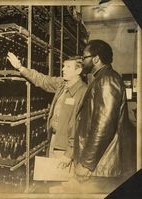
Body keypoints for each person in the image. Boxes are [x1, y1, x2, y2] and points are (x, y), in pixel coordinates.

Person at [7, 52, 87, 171]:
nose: (63, 69)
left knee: (63, 183)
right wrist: (20, 67)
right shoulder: (62, 84)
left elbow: (82, 127)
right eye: (63, 66)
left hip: (66, 147)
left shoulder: (83, 92)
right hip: (54, 139)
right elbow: (41, 79)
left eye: (68, 67)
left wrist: (69, 154)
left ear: (78, 70)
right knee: (53, 178)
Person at [73, 40, 136, 191]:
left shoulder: (107, 80)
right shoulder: (101, 78)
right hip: (99, 162)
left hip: (100, 165)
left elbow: (104, 126)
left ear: (95, 59)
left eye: (84, 58)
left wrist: (87, 163)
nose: (82, 62)